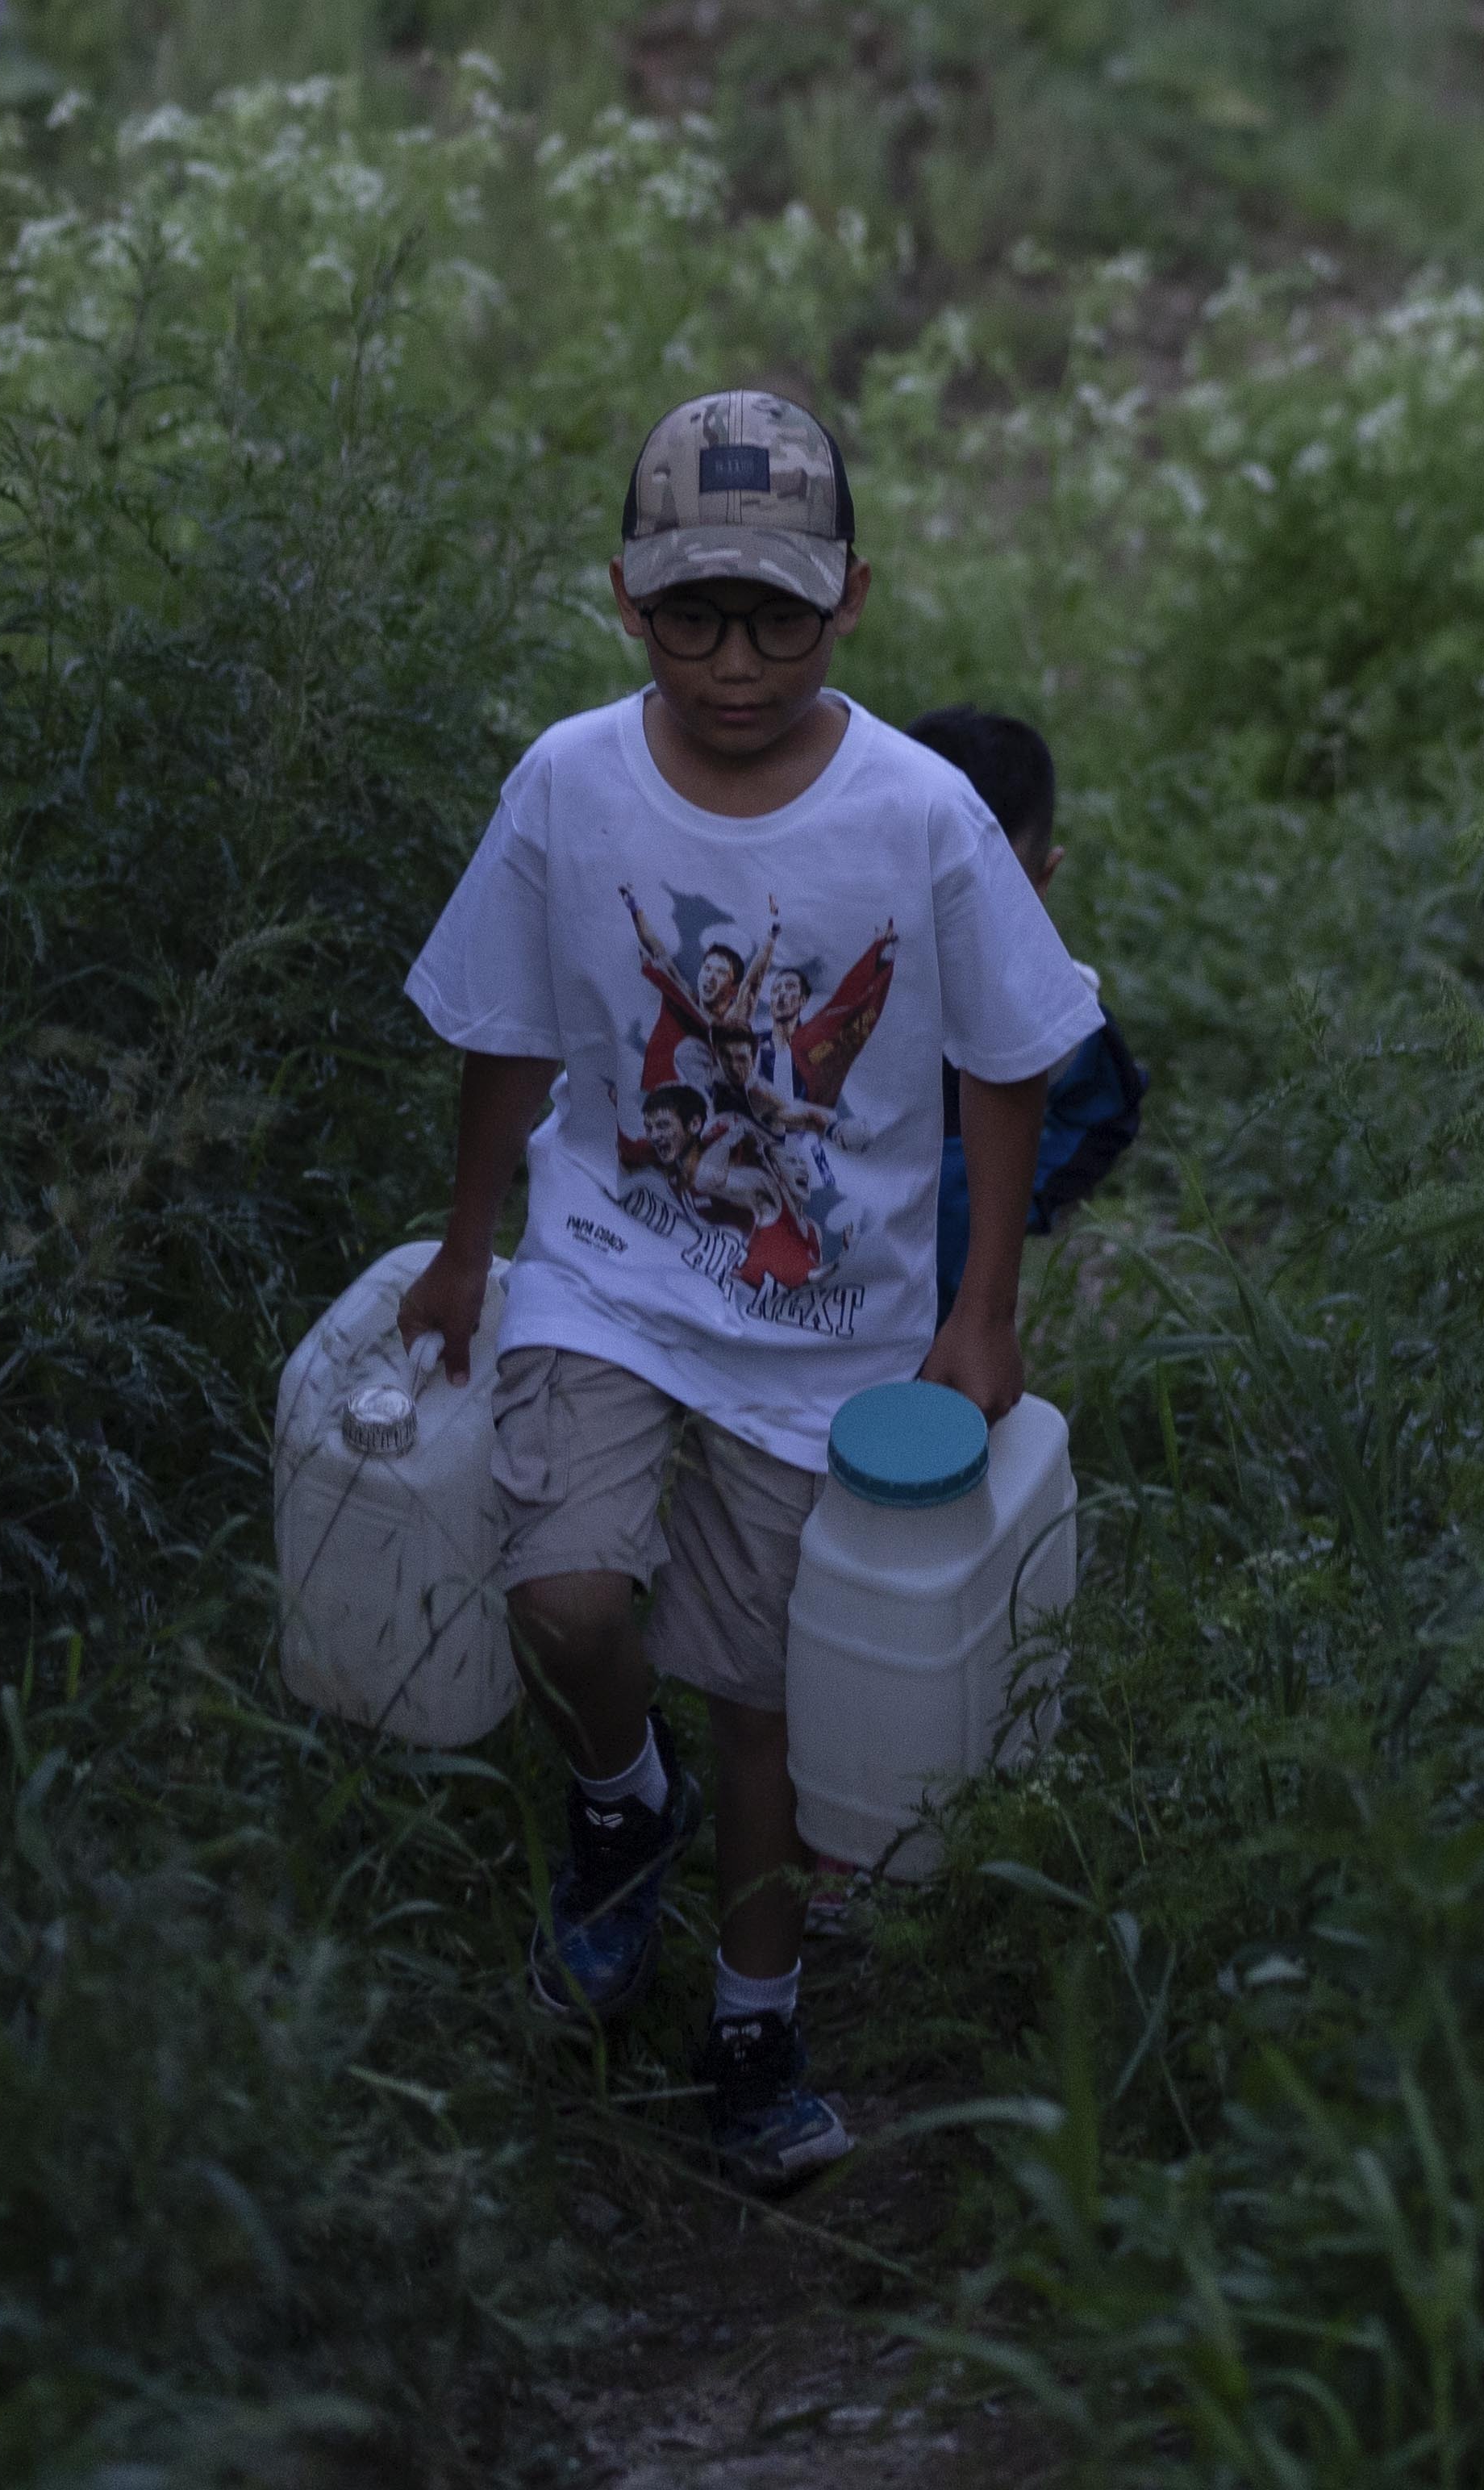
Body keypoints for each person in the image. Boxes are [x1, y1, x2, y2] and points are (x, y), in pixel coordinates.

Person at [396, 387, 1100, 2191]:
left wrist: (984, 1307)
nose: (734, 661)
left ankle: (752, 2023)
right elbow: (501, 1027)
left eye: (776, 616)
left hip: (832, 1329)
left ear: (851, 599)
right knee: (564, 1598)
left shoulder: (922, 815)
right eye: (695, 614)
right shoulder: (569, 783)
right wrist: (474, 1241)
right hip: (610, 1278)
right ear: (626, 598)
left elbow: (1016, 1054)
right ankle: (624, 1807)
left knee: (768, 1689)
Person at [900, 707, 1148, 1301]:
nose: (954, 923)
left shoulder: (1055, 1012)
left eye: (991, 893)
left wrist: (994, 1202)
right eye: (931, 886)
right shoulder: (825, 980)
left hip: (947, 1319)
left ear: (1044, 878)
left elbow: (1106, 1114)